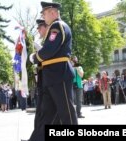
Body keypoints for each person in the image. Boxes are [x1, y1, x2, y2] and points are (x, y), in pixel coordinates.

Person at [27, 1, 78, 141]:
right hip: (52, 75)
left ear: (53, 12)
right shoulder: (53, 28)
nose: (43, 16)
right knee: (47, 115)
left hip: (59, 74)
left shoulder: (57, 26)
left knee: (66, 112)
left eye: (44, 13)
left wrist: (34, 57)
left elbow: (48, 50)